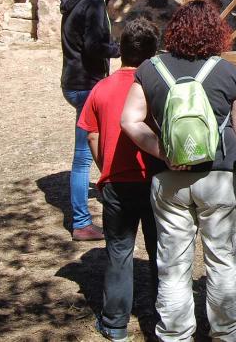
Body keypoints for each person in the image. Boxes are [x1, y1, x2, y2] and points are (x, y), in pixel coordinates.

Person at [121, 0, 236, 342]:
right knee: (223, 261)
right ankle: (227, 333)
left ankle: (175, 334)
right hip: (219, 178)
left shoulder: (150, 69)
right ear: (216, 33)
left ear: (175, 30)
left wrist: (162, 152)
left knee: (173, 265)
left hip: (169, 180)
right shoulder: (227, 72)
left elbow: (129, 120)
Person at [77, 18, 163, 342]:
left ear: (120, 50)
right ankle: (163, 316)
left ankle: (114, 324)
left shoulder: (101, 88)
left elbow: (92, 136)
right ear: (154, 52)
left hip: (116, 184)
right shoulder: (156, 86)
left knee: (118, 251)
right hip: (154, 178)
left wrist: (105, 165)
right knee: (161, 252)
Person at [60, 0, 121, 241]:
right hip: (86, 85)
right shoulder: (94, 3)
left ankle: (113, 187)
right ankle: (82, 222)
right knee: (83, 157)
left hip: (74, 83)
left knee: (94, 147)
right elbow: (95, 46)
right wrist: (119, 49)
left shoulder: (74, 2)